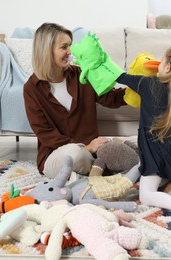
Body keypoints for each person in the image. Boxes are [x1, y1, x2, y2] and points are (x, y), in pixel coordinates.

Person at [23, 23, 127, 178]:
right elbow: (45, 133)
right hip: (56, 155)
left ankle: (89, 173)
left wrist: (139, 89)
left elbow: (109, 97)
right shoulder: (32, 88)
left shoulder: (81, 74)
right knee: (76, 154)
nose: (70, 52)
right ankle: (94, 171)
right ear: (46, 51)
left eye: (70, 46)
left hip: (90, 152)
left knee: (130, 145)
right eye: (64, 47)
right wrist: (86, 147)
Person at [115, 45, 171, 228]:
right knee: (161, 153)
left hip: (154, 156)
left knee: (145, 195)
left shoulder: (148, 84)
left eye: (161, 62)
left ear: (168, 67)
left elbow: (120, 76)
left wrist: (95, 63)